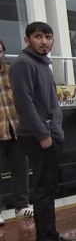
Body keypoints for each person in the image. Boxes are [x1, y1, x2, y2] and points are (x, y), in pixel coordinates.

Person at [9, 22, 76, 241]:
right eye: (38, 37)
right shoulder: (23, 63)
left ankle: (43, 240)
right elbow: (24, 103)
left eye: (48, 37)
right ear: (27, 40)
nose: (44, 41)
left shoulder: (42, 64)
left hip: (49, 134)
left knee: (47, 188)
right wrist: (43, 135)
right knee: (45, 190)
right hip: (39, 137)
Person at [0, 39, 32, 225]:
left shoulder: (11, 72)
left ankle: (22, 206)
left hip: (15, 129)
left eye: (0, 51)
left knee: (20, 169)